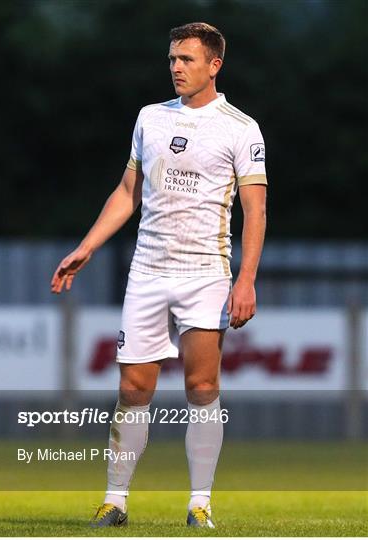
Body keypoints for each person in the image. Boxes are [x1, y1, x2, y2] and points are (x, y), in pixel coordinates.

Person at [51, 22, 267, 528]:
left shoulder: (241, 127)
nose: (176, 67)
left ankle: (199, 503)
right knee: (132, 389)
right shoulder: (150, 118)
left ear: (214, 65)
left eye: (187, 59)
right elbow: (128, 193)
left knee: (202, 385)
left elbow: (254, 211)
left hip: (205, 273)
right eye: (172, 58)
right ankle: (115, 501)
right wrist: (86, 246)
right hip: (147, 270)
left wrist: (246, 278)